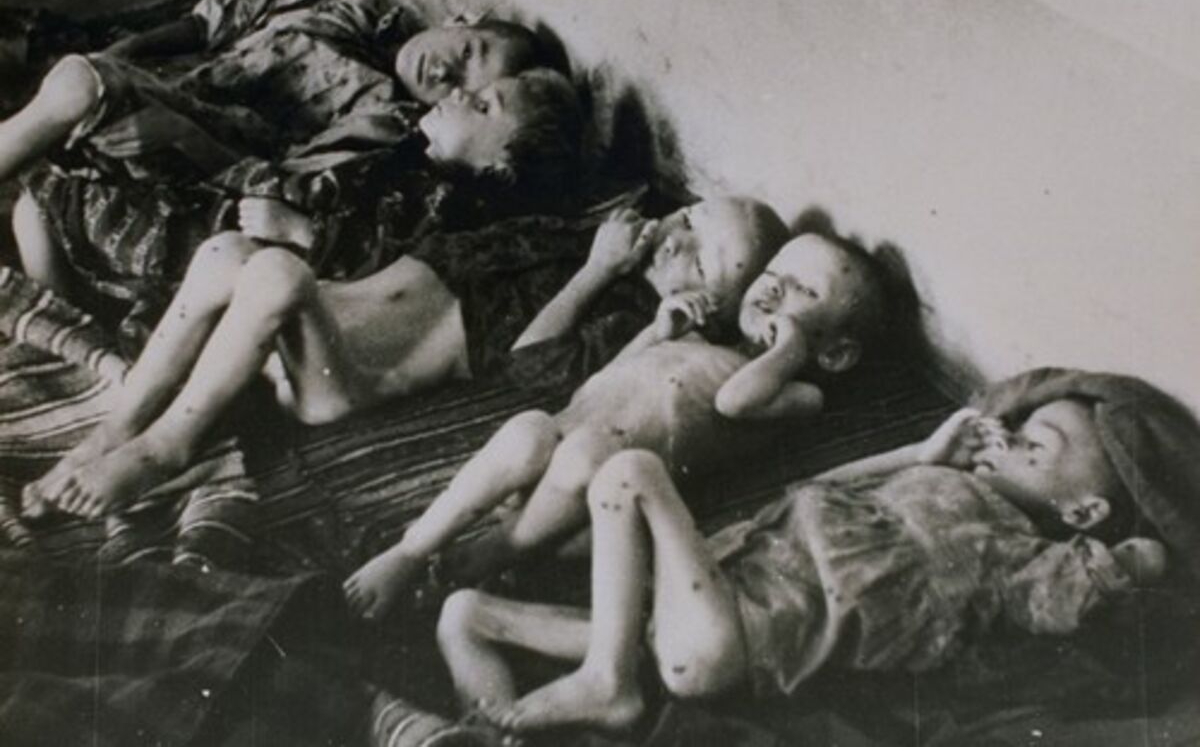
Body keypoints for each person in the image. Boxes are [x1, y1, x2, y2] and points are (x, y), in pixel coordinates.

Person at [435, 374, 1182, 735]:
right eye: (1014, 426)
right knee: (463, 614)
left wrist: (1139, 554)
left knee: (630, 474)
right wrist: (919, 454)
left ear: (1082, 512)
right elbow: (815, 490)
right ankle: (493, 728)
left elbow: (1086, 587)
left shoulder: (1015, 552)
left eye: (1034, 446)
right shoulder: (935, 483)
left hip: (740, 638)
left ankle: (608, 681)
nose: (1005, 438)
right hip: (686, 609)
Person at [20, 197, 781, 521]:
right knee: (228, 252)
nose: (675, 239)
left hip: (343, 381)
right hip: (313, 315)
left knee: (275, 276)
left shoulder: (623, 318)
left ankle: (165, 446)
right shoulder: (575, 233)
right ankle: (113, 427)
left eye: (701, 258)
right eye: (689, 218)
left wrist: (595, 271)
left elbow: (528, 367)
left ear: (711, 304)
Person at [343, 228, 889, 620]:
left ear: (836, 354)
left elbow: (733, 401)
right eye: (772, 274)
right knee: (528, 427)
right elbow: (607, 378)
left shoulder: (800, 393)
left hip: (584, 509)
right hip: (552, 447)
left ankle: (481, 557)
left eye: (804, 291)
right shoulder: (702, 339)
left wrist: (788, 349)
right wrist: (656, 332)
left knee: (586, 457)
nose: (773, 289)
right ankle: (412, 549)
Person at [2, 0, 560, 308]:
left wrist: (179, 131)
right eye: (467, 54)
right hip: (157, 82)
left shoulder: (389, 123)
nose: (443, 77)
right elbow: (214, 21)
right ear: (463, 19)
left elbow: (278, 175)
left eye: (464, 87)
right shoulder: (356, 4)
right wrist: (127, 54)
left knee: (73, 99)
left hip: (185, 148)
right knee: (64, 106)